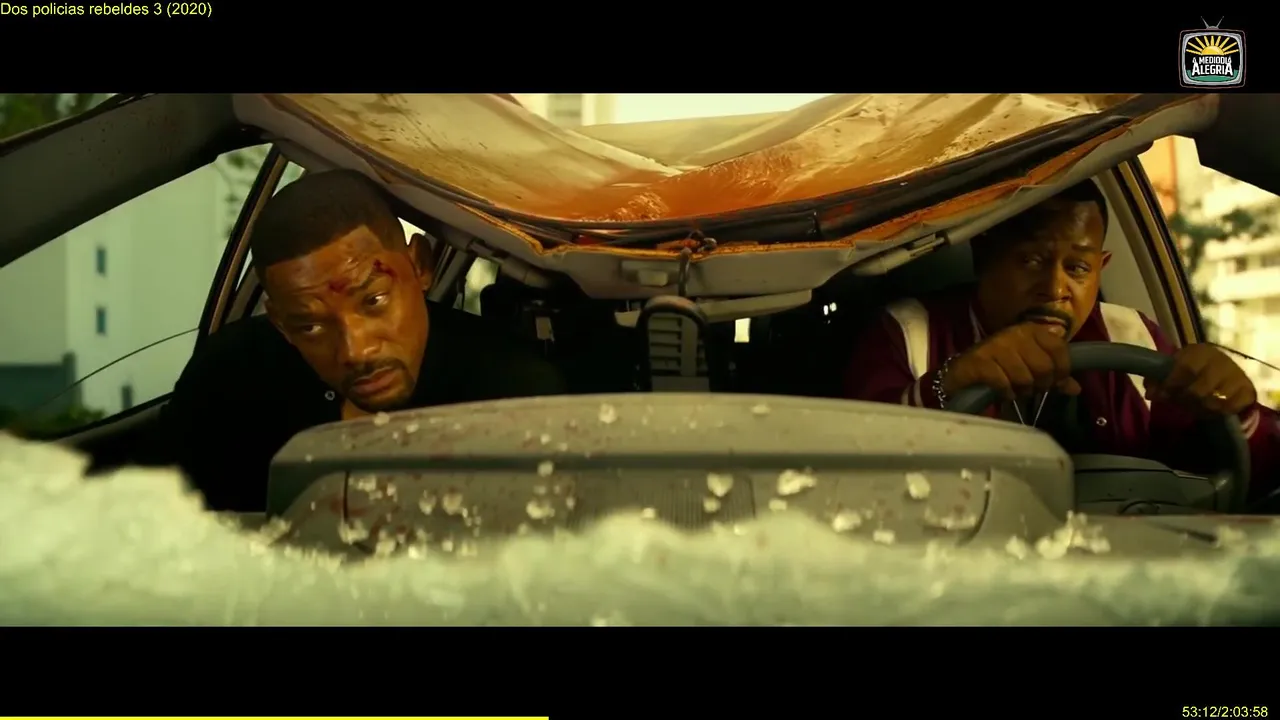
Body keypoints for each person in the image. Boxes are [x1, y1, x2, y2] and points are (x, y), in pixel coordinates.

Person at [843, 180, 1280, 505]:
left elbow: (1245, 474)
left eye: (1077, 268)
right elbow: (850, 468)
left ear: (1101, 268)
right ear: (983, 256)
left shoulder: (1133, 335)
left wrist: (1234, 410)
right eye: (1032, 260)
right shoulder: (909, 332)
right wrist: (948, 384)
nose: (1054, 289)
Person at [153, 169, 567, 511]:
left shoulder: (515, 396)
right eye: (311, 326)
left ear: (420, 267)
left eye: (374, 301)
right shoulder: (229, 381)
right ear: (280, 323)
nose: (356, 350)